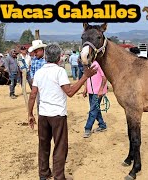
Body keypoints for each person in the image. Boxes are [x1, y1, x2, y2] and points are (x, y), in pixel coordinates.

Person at [28, 44, 97, 180]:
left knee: (43, 145)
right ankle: (59, 176)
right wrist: (85, 77)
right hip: (57, 115)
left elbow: (33, 95)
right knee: (60, 146)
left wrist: (30, 114)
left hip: (43, 114)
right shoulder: (60, 72)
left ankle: (44, 174)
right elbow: (70, 92)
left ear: (46, 56)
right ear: (59, 58)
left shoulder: (39, 72)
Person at [82, 60, 108, 138]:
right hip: (91, 91)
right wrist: (85, 88)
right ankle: (102, 125)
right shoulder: (88, 65)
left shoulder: (99, 64)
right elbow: (86, 77)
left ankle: (87, 128)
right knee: (95, 109)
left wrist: (101, 89)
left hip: (98, 92)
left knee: (93, 110)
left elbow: (104, 77)